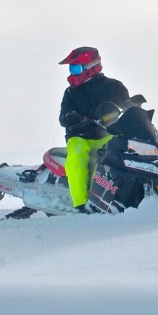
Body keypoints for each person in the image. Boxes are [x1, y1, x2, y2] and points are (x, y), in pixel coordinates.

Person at [57, 46, 130, 213]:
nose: (73, 72)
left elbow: (127, 106)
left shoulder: (113, 86)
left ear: (91, 66)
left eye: (76, 68)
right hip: (81, 137)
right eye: (71, 68)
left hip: (108, 134)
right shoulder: (71, 93)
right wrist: (71, 117)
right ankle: (81, 203)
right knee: (77, 155)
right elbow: (62, 118)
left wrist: (133, 106)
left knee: (130, 151)